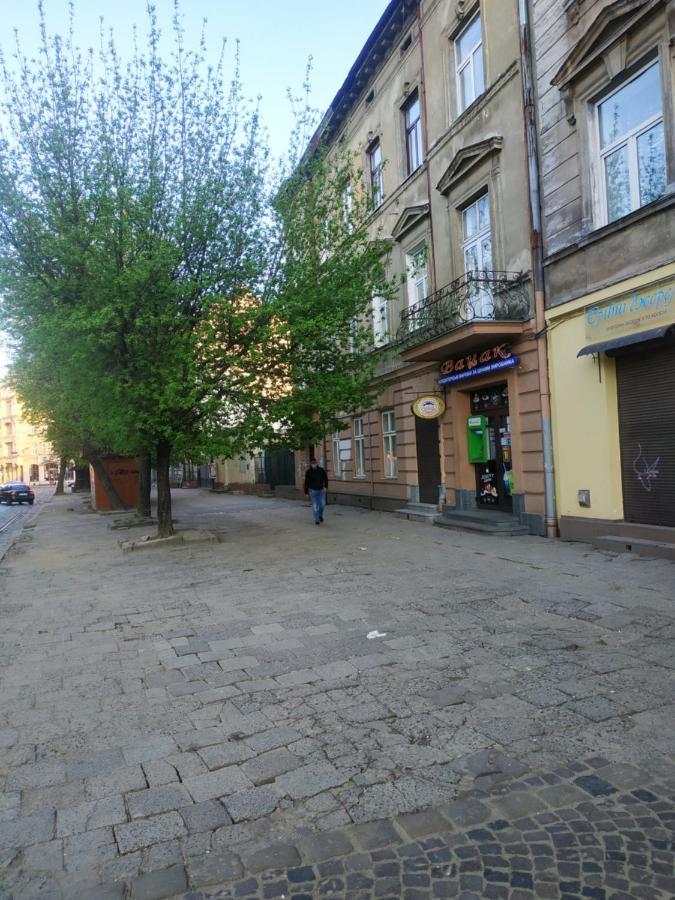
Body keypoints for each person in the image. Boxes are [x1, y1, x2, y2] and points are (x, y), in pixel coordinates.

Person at [304, 456, 328, 525]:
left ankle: (320, 515)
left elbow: (325, 479)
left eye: (315, 463)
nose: (314, 464)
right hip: (312, 491)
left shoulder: (321, 470)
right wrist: (306, 493)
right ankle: (317, 520)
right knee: (315, 506)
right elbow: (306, 483)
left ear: (317, 463)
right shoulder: (308, 472)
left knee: (322, 505)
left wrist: (326, 487)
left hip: (321, 491)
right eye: (312, 463)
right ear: (310, 464)